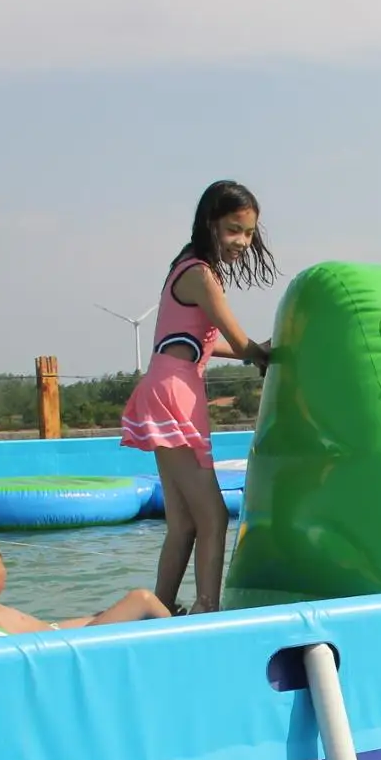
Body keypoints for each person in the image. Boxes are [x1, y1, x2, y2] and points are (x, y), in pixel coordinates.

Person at [122, 180, 276, 614]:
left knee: (184, 523)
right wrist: (263, 352)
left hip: (171, 385)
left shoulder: (184, 266)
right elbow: (238, 340)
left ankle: (160, 608)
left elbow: (205, 342)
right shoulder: (200, 274)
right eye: (233, 230)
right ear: (209, 224)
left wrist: (251, 352)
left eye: (248, 233)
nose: (242, 242)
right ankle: (209, 609)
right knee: (212, 516)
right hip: (175, 392)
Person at [0, 532, 171, 633]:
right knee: (142, 599)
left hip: (55, 629)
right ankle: (182, 634)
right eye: (0, 561)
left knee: (105, 614)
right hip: (69, 644)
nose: (5, 566)